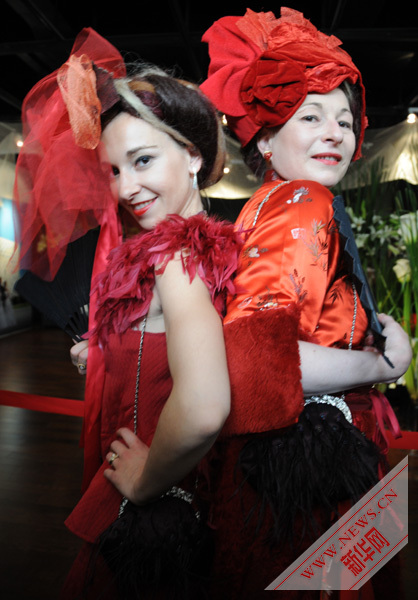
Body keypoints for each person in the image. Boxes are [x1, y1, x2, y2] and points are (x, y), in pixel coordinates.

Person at [13, 28, 244, 600]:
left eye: (143, 160)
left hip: (158, 502)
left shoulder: (171, 254)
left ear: (193, 155)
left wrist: (145, 482)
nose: (126, 187)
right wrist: (107, 348)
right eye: (114, 171)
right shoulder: (193, 247)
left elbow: (205, 405)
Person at [199, 7, 412, 598]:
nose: (335, 132)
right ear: (266, 135)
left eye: (344, 120)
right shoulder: (305, 199)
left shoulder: (261, 203)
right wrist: (383, 365)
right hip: (310, 464)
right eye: (310, 115)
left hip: (272, 461)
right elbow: (260, 365)